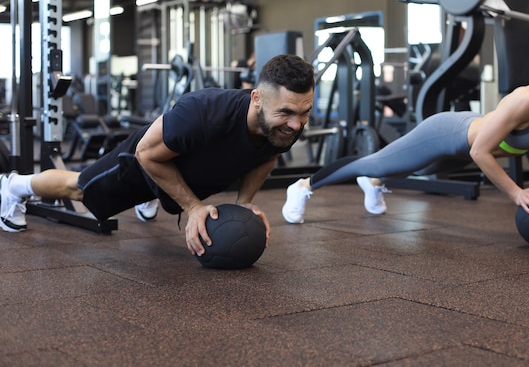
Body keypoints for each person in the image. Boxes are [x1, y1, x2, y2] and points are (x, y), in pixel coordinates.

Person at [1, 54, 315, 257]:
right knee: (81, 188)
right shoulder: (201, 114)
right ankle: (15, 186)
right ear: (257, 98)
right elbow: (146, 154)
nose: (296, 124)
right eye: (286, 112)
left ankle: (156, 196)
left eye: (304, 113)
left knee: (172, 181)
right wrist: (192, 207)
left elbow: (267, 158)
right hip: (144, 161)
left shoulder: (284, 127)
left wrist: (244, 202)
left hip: (186, 167)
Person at [282, 56, 529, 224]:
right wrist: (516, 193)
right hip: (449, 133)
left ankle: (374, 184)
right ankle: (303, 186)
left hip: (463, 147)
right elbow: (480, 151)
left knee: (412, 166)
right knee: (377, 160)